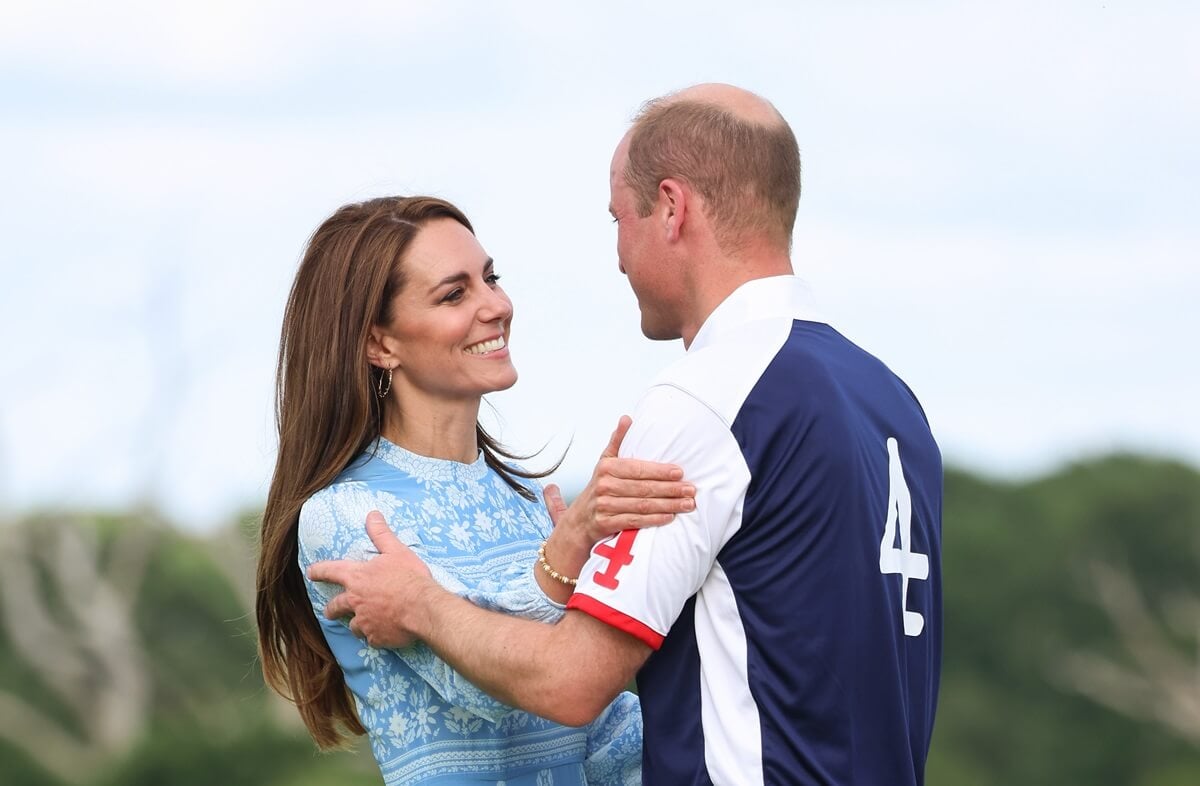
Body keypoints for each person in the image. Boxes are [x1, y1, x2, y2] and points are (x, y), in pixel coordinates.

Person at [311, 84, 943, 785]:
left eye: (619, 218)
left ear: (671, 208)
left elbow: (571, 687)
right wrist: (567, 556)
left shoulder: (706, 402)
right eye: (457, 292)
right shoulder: (890, 399)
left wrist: (424, 604)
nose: (616, 255)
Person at [255, 195, 698, 785]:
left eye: (491, 278)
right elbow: (492, 689)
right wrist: (571, 547)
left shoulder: (527, 505)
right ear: (379, 344)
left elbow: (604, 730)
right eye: (454, 293)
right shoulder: (344, 515)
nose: (497, 305)